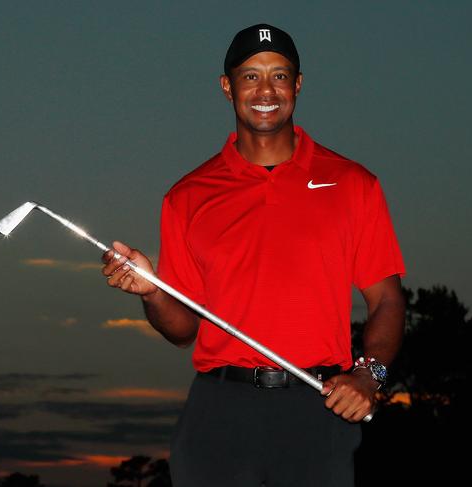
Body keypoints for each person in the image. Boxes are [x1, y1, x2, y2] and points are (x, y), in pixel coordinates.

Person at [102, 24, 406, 487]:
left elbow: (385, 299)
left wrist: (369, 374)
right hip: (219, 410)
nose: (266, 90)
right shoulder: (187, 196)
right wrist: (151, 293)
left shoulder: (353, 184)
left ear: (297, 85)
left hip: (316, 405)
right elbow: (183, 330)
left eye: (279, 76)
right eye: (250, 76)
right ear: (227, 87)